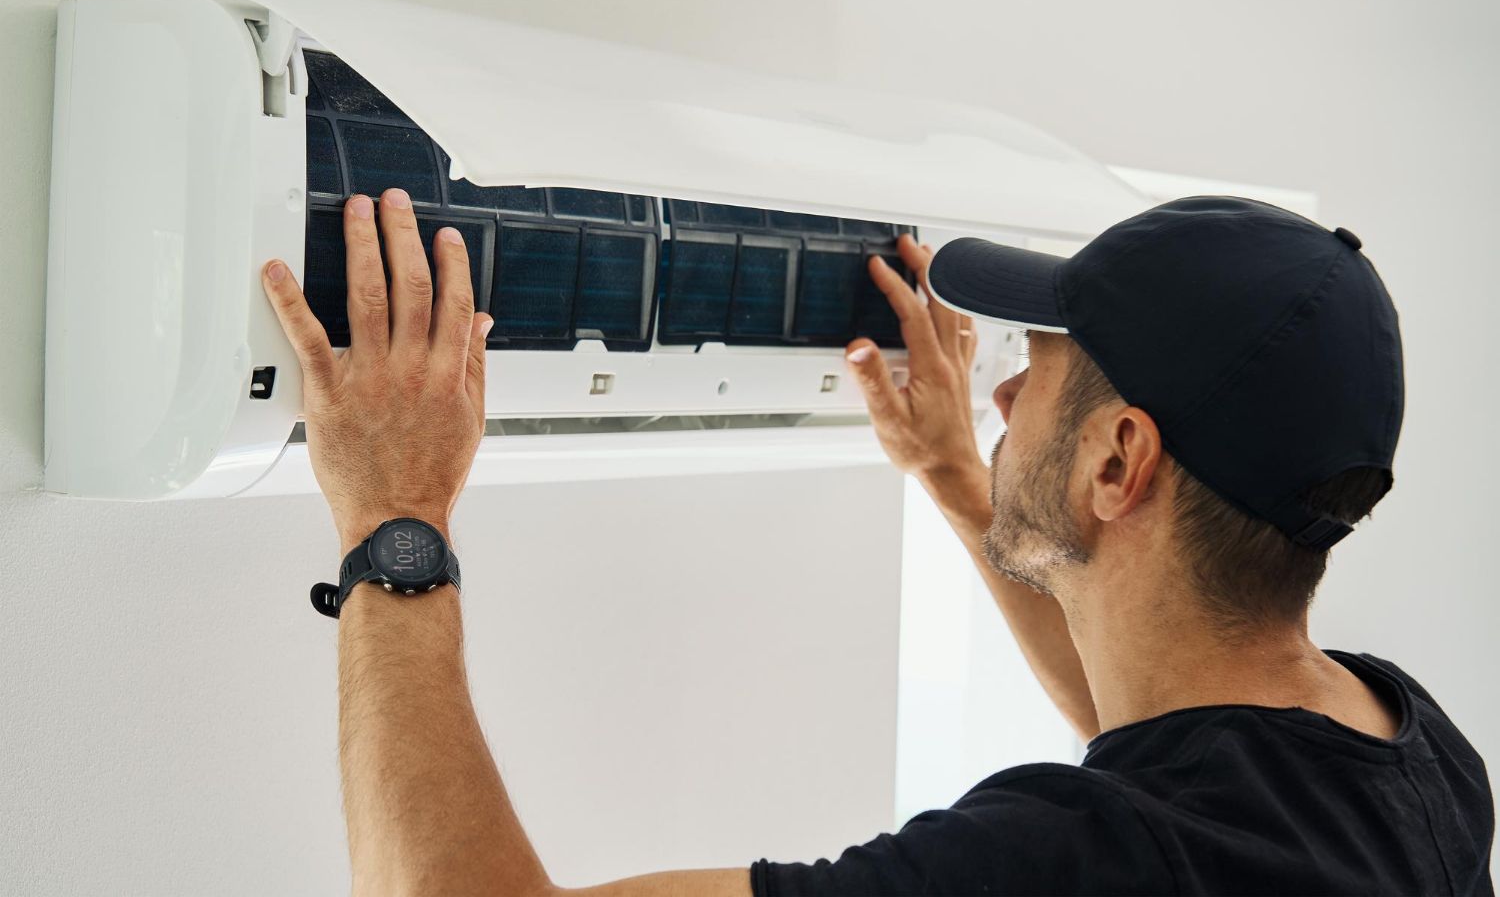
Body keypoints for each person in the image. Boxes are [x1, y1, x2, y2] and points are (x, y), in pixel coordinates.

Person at [262, 189, 1493, 895]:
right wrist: (972, 483)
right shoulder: (1415, 759)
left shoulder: (1069, 865)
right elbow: (1161, 724)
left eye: (1040, 370)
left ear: (1119, 462)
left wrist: (395, 517)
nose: (1004, 394)